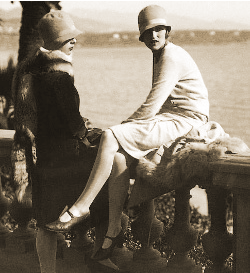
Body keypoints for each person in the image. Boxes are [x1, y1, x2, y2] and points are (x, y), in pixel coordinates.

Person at [45, 4, 209, 262]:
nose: (153, 36)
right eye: (148, 32)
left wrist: (122, 128)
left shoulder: (171, 56)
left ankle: (81, 208)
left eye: (158, 30)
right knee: (118, 158)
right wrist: (126, 130)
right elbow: (158, 107)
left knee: (111, 136)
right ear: (142, 37)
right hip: (171, 118)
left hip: (187, 121)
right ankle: (113, 230)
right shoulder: (160, 55)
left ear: (167, 31)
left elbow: (152, 105)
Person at [12, 10, 109, 273]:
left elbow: (30, 120)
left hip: (43, 159)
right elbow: (72, 122)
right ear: (55, 43)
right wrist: (90, 132)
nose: (74, 41)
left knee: (45, 224)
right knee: (104, 189)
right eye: (68, 39)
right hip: (67, 158)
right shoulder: (59, 75)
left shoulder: (30, 70)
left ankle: (48, 270)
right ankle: (102, 254)